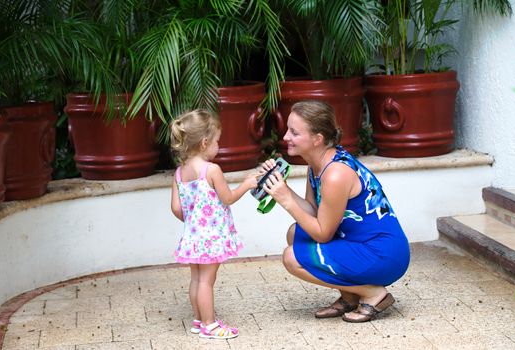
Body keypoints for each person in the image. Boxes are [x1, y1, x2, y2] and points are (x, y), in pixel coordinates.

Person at [260, 100, 410, 323]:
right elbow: (313, 211)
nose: (285, 137)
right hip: (358, 244)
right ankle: (350, 296)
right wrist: (283, 188)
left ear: (317, 139)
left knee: (292, 258)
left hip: (383, 254)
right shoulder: (317, 165)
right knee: (295, 232)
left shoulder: (335, 174)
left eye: (294, 132)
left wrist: (287, 200)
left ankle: (372, 293)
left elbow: (323, 233)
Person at [170, 109, 258, 339]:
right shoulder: (211, 170)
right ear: (205, 142)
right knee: (207, 282)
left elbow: (177, 208)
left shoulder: (179, 174)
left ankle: (199, 320)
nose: (218, 146)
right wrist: (247, 184)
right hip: (211, 238)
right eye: (217, 141)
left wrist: (193, 223)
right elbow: (228, 198)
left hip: (193, 238)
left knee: (197, 279)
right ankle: (210, 326)